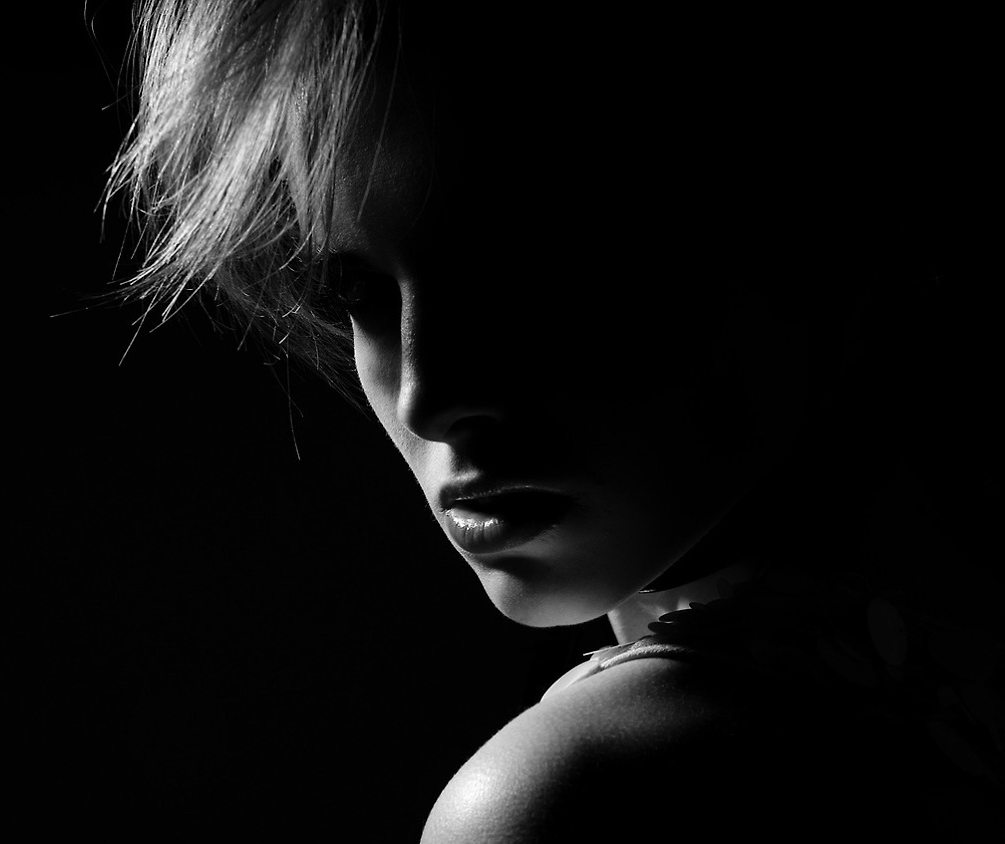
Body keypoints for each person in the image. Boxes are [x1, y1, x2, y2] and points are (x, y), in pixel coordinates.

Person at [105, 1, 1002, 838]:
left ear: (830, 220)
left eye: (525, 266)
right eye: (358, 289)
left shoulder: (569, 797)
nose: (428, 396)